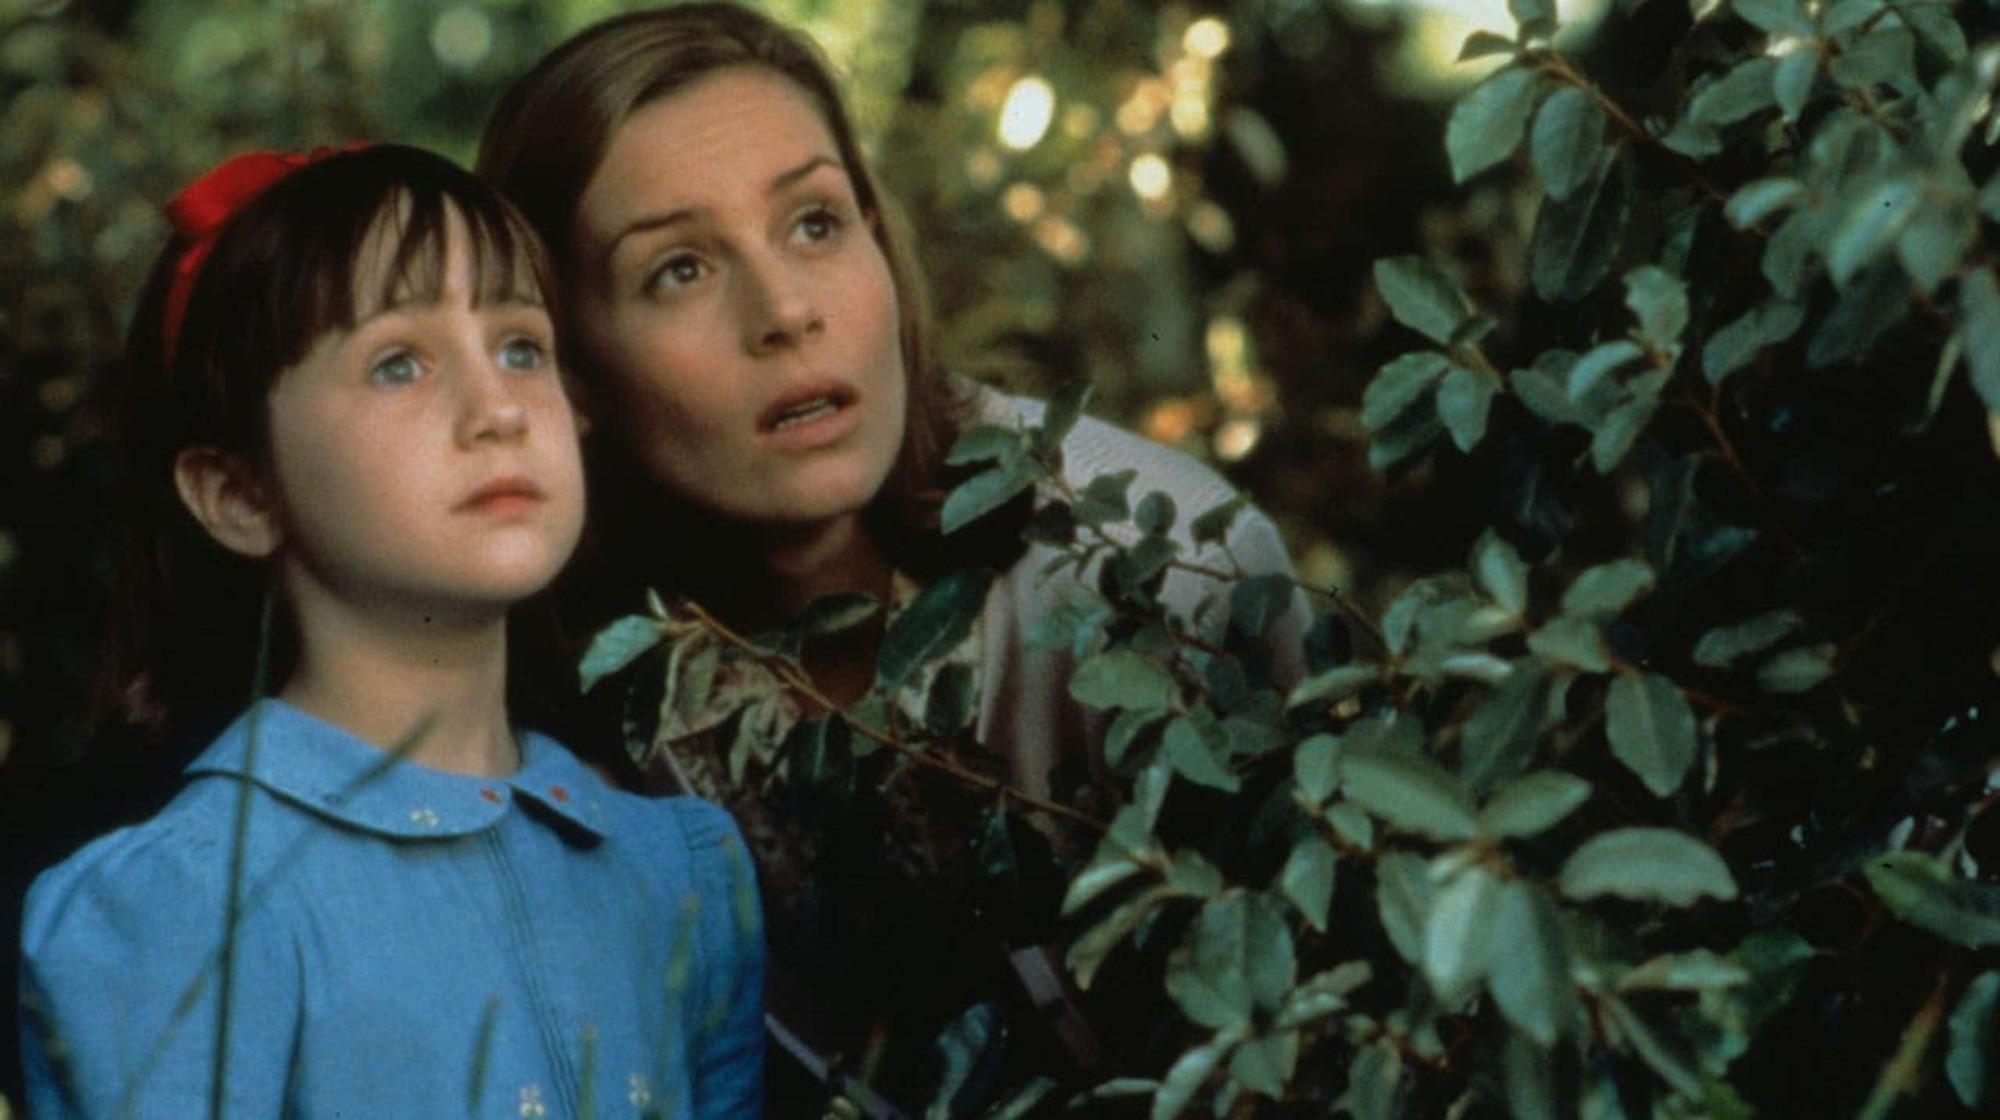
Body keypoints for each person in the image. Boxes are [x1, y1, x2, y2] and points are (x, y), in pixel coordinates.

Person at [479, 4, 1305, 1113]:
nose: (784, 312)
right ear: (566, 367)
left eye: (814, 224)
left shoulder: (1153, 570)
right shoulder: (562, 675)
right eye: (679, 268)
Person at [16, 144, 764, 1118]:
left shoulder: (678, 871)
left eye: (520, 347)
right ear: (239, 493)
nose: (496, 408)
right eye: (397, 362)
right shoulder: (180, 906)